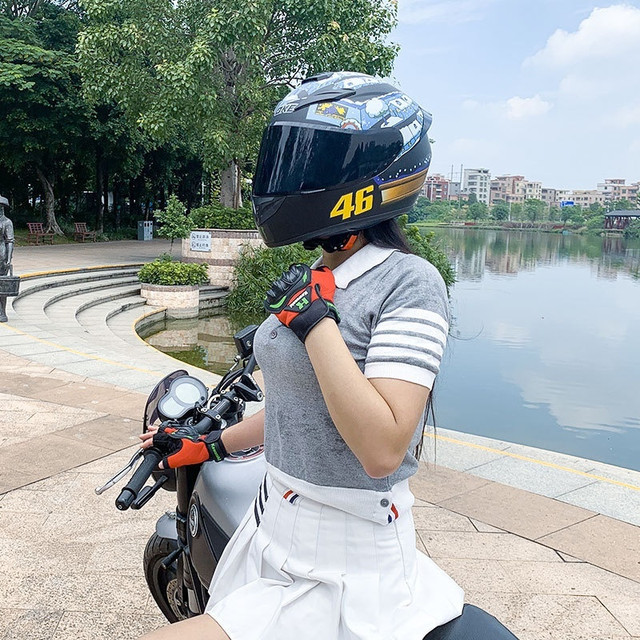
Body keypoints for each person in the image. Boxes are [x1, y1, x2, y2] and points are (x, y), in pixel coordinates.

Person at [140, 72, 464, 640]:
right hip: (271, 525)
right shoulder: (322, 271)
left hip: (343, 562)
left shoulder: (410, 283)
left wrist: (315, 325)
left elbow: (383, 449)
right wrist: (210, 443)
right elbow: (298, 407)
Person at [0, 195, 15, 323]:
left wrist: (9, 258)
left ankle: (2, 311)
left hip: (1, 255)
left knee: (2, 284)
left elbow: (9, 241)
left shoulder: (6, 222)